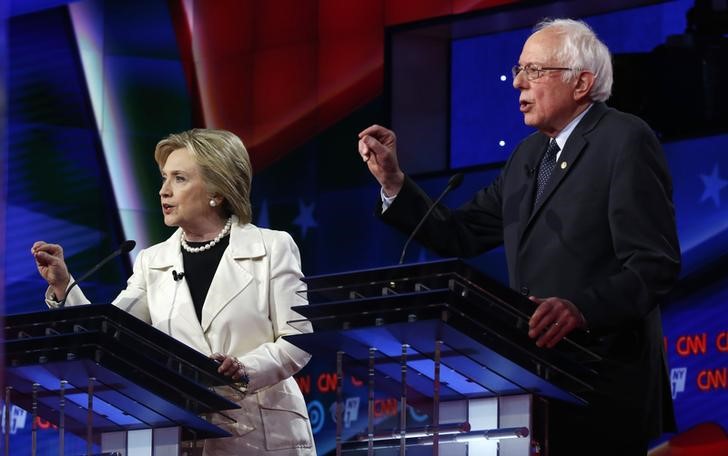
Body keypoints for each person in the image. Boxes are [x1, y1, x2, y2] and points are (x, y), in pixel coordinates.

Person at [358, 18, 680, 454]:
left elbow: (654, 264)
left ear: (581, 82)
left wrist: (581, 309)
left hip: (604, 384)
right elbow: (461, 233)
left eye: (535, 70)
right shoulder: (528, 156)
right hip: (536, 384)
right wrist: (394, 182)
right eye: (519, 69)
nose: (517, 83)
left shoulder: (624, 139)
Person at [32, 128, 316, 455]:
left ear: (217, 191)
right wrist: (64, 285)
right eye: (164, 178)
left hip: (264, 435)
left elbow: (298, 340)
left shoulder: (272, 247)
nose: (164, 191)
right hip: (186, 436)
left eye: (179, 179)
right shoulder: (153, 261)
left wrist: (244, 368)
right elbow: (109, 336)